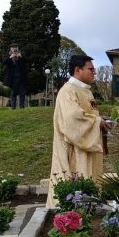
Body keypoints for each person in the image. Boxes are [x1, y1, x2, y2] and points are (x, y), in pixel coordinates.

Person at [47, 55, 109, 207]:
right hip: (75, 150)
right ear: (77, 70)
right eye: (91, 69)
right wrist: (97, 122)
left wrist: (100, 121)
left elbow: (88, 114)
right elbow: (72, 119)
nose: (94, 72)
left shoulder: (86, 91)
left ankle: (90, 207)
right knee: (75, 187)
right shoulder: (67, 91)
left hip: (88, 147)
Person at [3, 44, 29, 109]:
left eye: (16, 47)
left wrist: (21, 57)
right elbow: (4, 62)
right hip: (13, 78)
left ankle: (22, 106)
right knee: (13, 93)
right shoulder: (8, 56)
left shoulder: (20, 55)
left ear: (17, 48)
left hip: (22, 78)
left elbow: (27, 61)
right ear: (11, 49)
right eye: (13, 47)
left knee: (22, 92)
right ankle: (13, 107)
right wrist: (10, 57)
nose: (15, 49)